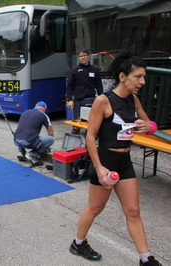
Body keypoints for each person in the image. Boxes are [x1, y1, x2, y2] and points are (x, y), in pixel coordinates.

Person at [69, 51, 162, 266]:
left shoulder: (134, 100)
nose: (142, 81)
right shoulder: (103, 101)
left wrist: (149, 126)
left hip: (125, 161)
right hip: (106, 161)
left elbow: (150, 127)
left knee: (133, 210)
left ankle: (145, 258)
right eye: (138, 76)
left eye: (143, 77)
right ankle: (78, 243)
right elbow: (90, 136)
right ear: (122, 76)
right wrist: (99, 168)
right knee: (95, 208)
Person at [67, 49, 103, 134]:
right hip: (78, 100)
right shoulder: (74, 70)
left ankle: (90, 139)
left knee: (90, 122)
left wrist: (102, 97)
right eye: (81, 56)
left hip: (90, 100)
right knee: (76, 123)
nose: (83, 57)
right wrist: (70, 99)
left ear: (88, 56)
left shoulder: (94, 70)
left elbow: (99, 85)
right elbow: (70, 86)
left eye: (84, 55)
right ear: (78, 58)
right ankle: (74, 140)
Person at [13, 101, 55, 166]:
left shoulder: (25, 112)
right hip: (28, 142)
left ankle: (21, 151)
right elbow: (51, 133)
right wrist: (46, 146)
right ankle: (32, 154)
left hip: (16, 140)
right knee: (50, 139)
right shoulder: (43, 115)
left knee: (23, 133)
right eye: (45, 110)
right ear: (43, 108)